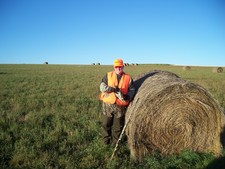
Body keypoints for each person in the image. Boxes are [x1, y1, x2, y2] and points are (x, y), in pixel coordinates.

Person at [99, 58, 135, 145]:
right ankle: (105, 141)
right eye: (117, 67)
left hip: (120, 106)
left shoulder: (128, 78)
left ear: (123, 67)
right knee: (106, 124)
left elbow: (132, 90)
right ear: (114, 67)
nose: (118, 68)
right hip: (108, 105)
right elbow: (102, 86)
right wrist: (112, 89)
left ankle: (115, 143)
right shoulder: (108, 75)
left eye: (120, 66)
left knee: (118, 126)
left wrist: (127, 96)